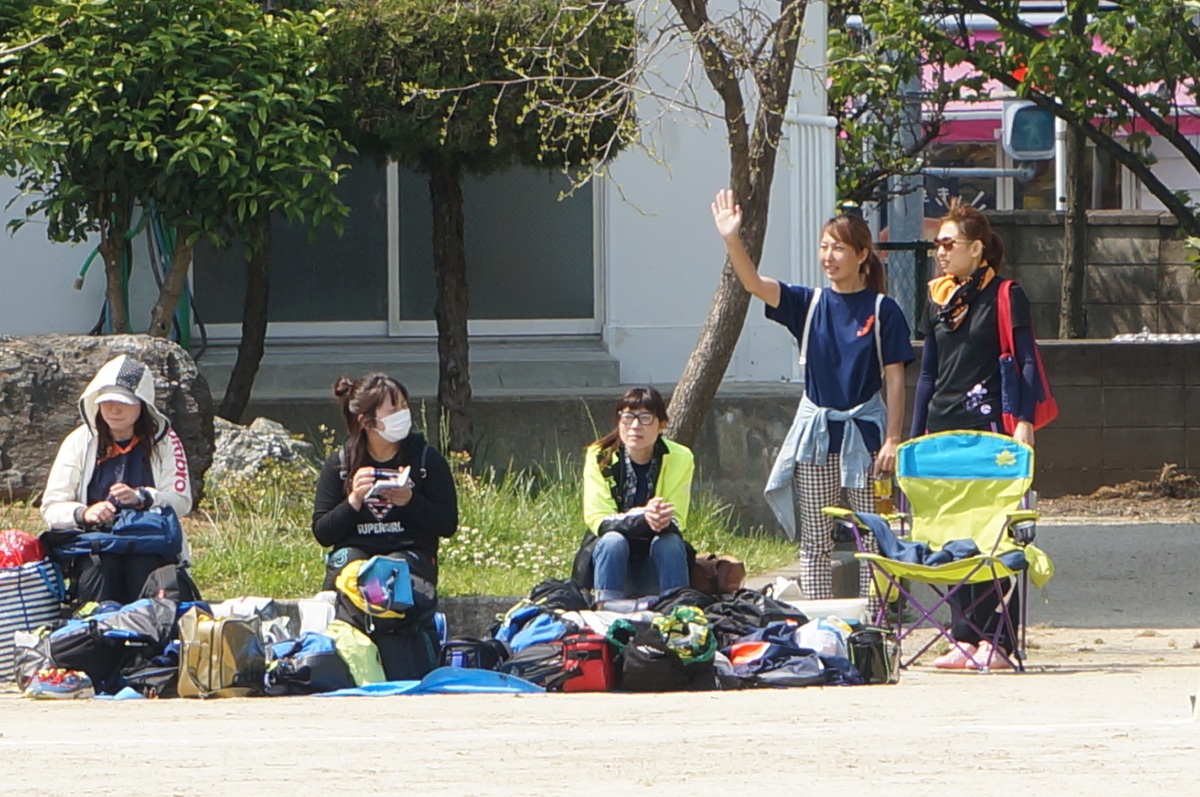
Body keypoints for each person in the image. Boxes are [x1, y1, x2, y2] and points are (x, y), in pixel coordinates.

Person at [711, 188, 914, 612]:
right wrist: (731, 238)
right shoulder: (809, 303)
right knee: (816, 539)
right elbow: (753, 283)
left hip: (867, 438)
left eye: (838, 248)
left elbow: (895, 380)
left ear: (862, 255)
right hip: (817, 439)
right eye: (824, 247)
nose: (829, 256)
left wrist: (893, 438)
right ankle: (820, 620)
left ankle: (875, 618)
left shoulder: (884, 310)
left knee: (874, 534)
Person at [910, 200, 1040, 670]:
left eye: (949, 244)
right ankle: (962, 634)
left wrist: (1024, 418)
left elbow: (1026, 359)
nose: (941, 252)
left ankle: (999, 640)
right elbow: (927, 373)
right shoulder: (937, 298)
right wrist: (914, 435)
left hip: (988, 428)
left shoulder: (1006, 294)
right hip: (942, 428)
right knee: (950, 533)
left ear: (977, 248)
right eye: (937, 245)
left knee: (991, 534)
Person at [312, 373, 458, 680]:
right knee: (348, 566)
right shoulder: (341, 464)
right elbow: (323, 532)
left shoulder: (426, 460)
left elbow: (447, 524)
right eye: (393, 409)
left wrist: (410, 501)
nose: (403, 414)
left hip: (409, 554)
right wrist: (354, 500)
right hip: (356, 556)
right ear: (366, 421)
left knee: (387, 573)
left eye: (404, 406)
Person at [41, 355, 193, 605]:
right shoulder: (78, 441)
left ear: (142, 404)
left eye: (123, 402)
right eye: (106, 401)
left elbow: (182, 501)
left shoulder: (166, 441)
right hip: (97, 546)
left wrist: (143, 497)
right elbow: (51, 507)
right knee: (100, 570)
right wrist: (84, 513)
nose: (114, 409)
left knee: (144, 568)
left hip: (149, 544)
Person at [582, 386, 693, 607]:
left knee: (670, 543)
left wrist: (661, 519)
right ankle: (606, 609)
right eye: (627, 417)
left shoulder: (681, 457)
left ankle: (679, 610)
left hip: (654, 557)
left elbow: (678, 519)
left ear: (662, 425)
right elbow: (598, 520)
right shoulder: (599, 456)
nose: (635, 426)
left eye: (645, 418)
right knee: (613, 541)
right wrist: (644, 517)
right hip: (613, 556)